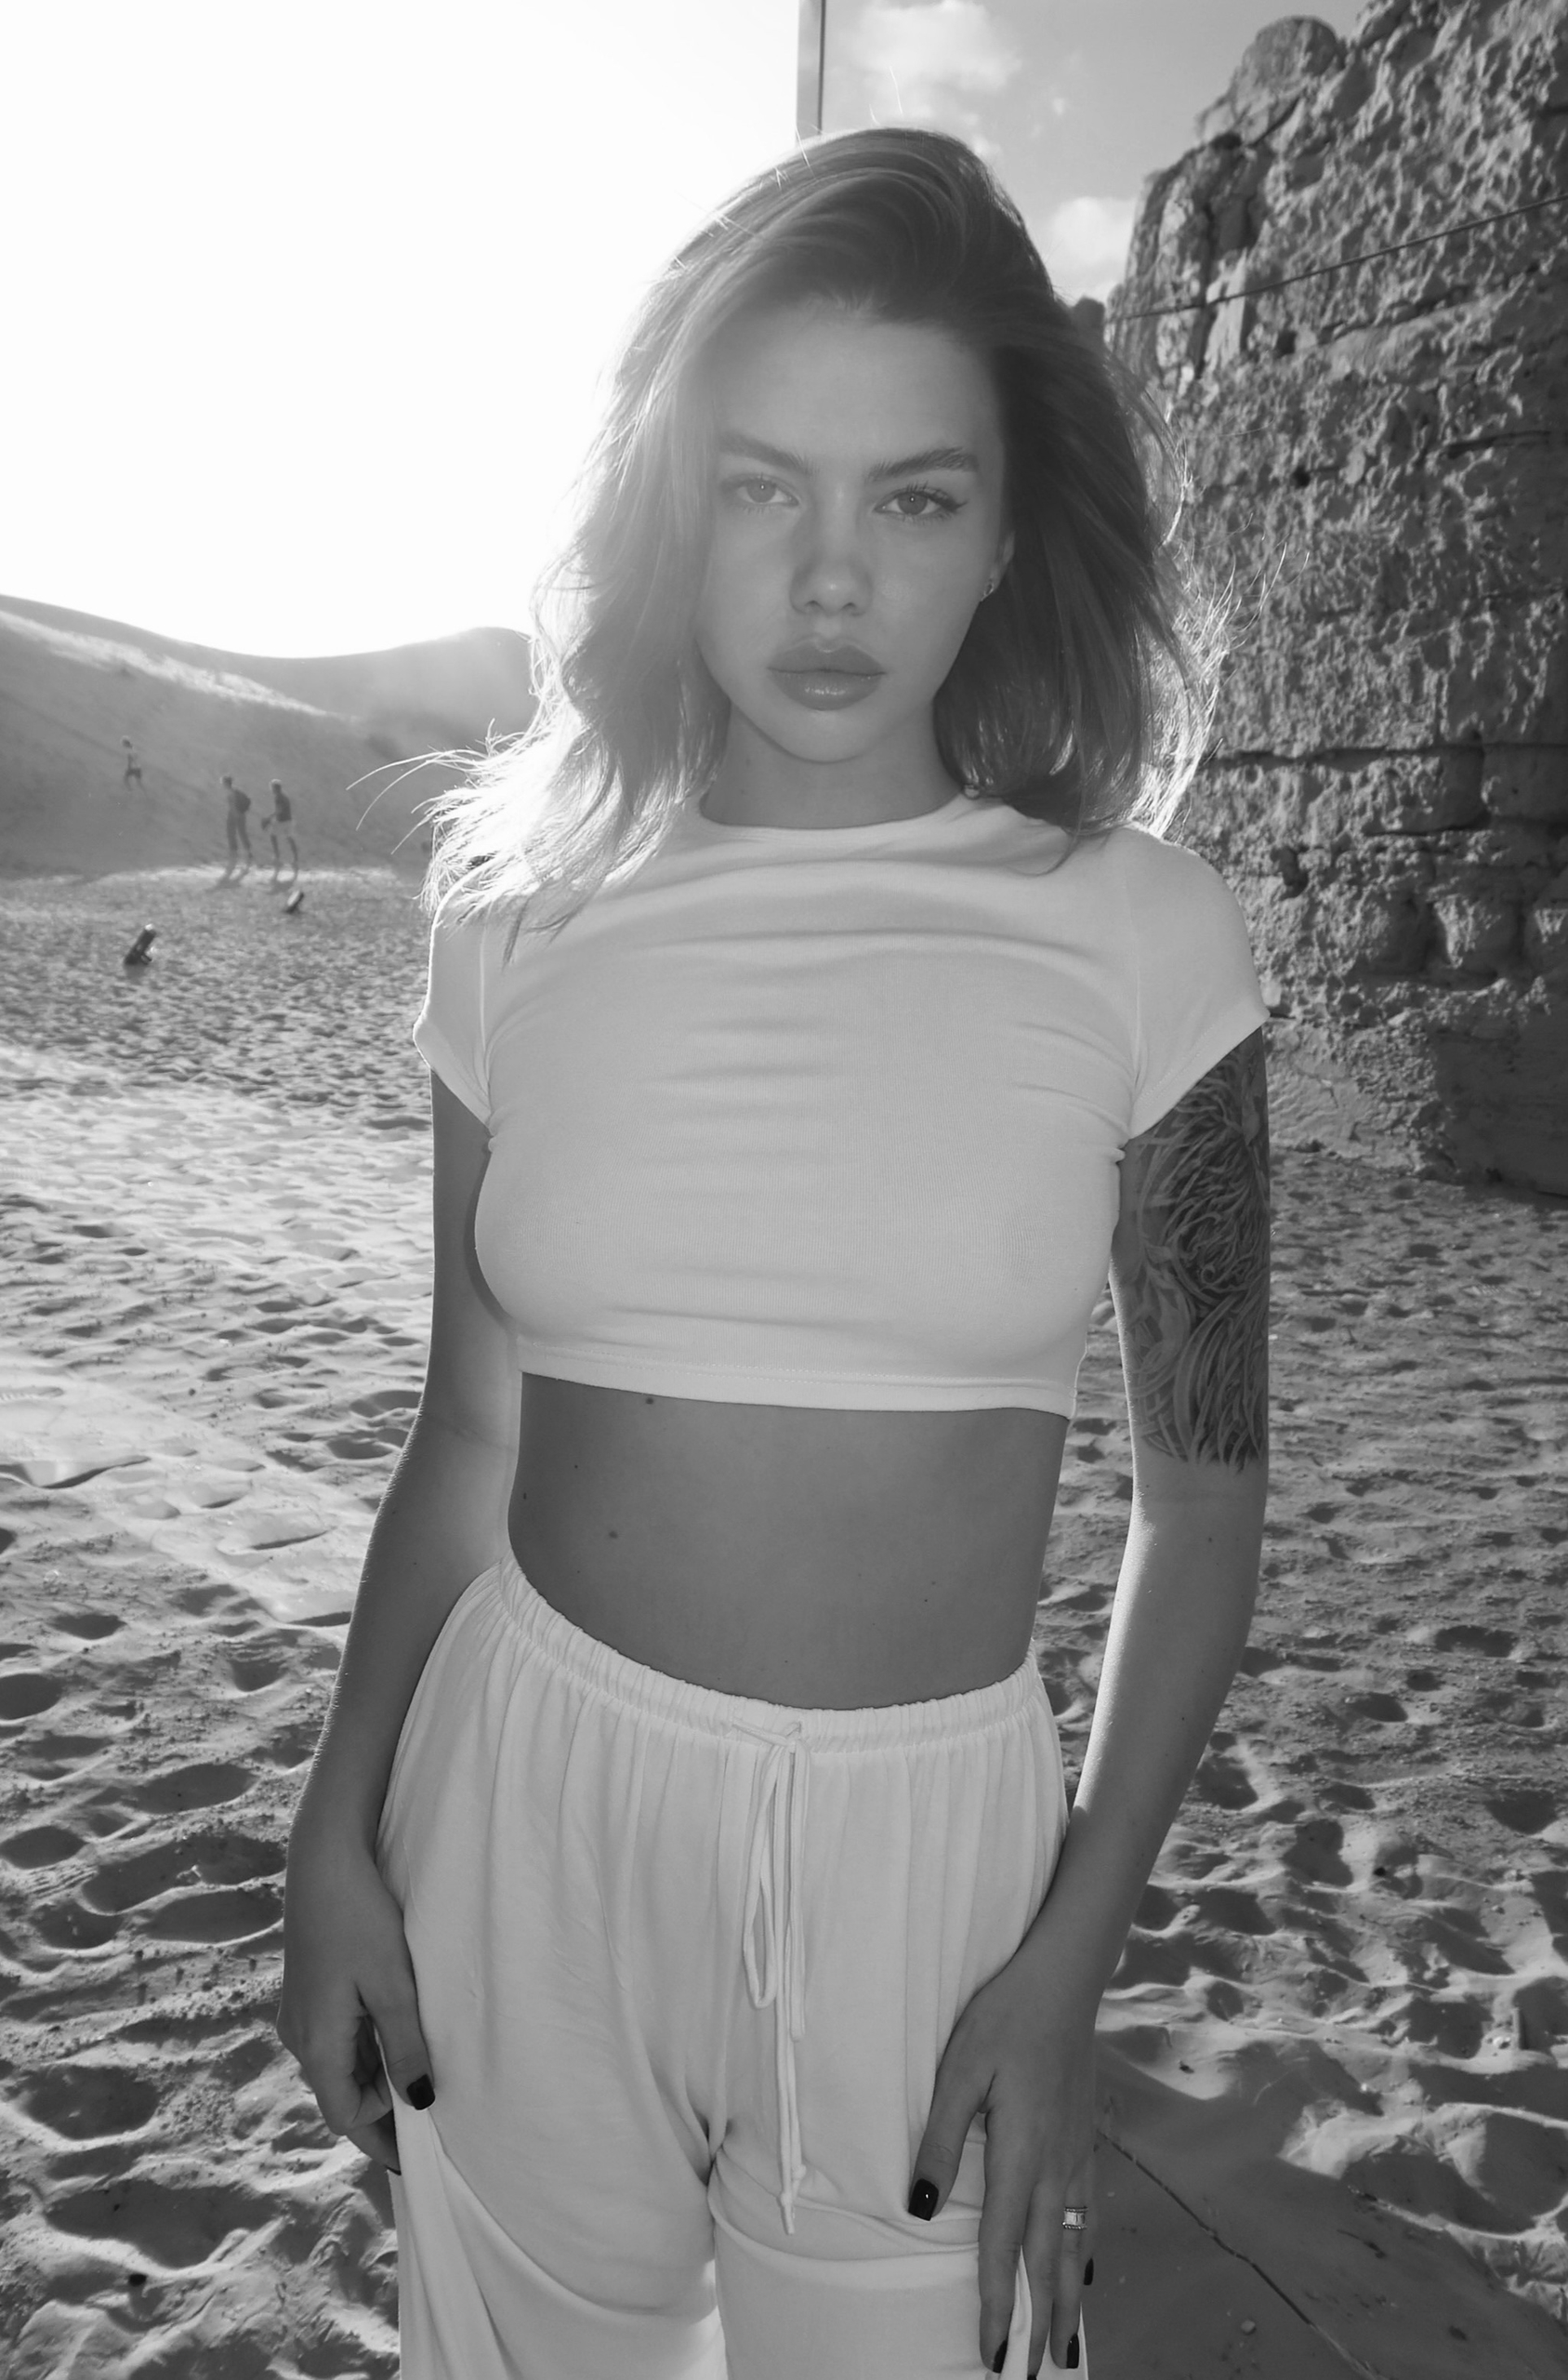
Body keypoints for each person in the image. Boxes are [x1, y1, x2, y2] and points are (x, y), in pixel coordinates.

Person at [280, 128, 1270, 2380]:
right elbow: (469, 1431)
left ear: (1004, 533)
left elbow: (1204, 1501)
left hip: (939, 1878)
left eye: (913, 496)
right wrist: (338, 1821)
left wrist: (1072, 1951)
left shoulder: (1145, 934)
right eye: (762, 487)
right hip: (521, 1820)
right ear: (671, 500)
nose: (833, 578)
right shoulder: (513, 922)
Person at [260, 778, 300, 879]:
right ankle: (295, 859)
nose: (271, 789)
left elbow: (279, 810)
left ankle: (277, 858)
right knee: (290, 839)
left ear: (275, 788)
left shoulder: (278, 797)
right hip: (289, 820)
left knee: (273, 836)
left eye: (272, 787)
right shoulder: (284, 796)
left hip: (282, 821)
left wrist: (269, 818)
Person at [222, 773, 253, 869]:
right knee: (243, 834)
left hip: (234, 816)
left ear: (226, 783)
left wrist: (234, 816)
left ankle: (233, 857)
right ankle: (248, 854)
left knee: (231, 835)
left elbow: (232, 806)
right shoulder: (237, 791)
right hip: (242, 815)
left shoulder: (230, 793)